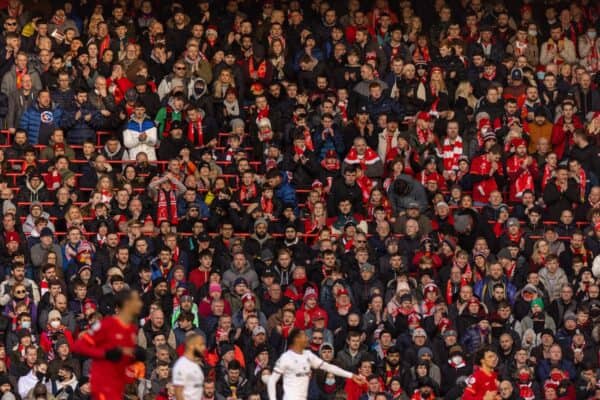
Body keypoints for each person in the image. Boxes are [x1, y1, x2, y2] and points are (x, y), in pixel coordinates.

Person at [71, 289, 146, 400]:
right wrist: (105, 354)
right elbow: (78, 346)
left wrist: (135, 356)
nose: (140, 304)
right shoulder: (104, 325)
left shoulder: (131, 329)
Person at [267, 328, 366, 400]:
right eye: (304, 336)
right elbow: (272, 381)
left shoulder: (308, 355)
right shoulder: (285, 357)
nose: (307, 338)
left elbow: (329, 367)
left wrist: (352, 375)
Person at [172, 333, 207, 400]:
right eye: (201, 345)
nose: (204, 348)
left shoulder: (195, 364)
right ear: (191, 346)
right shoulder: (182, 365)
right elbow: (178, 393)